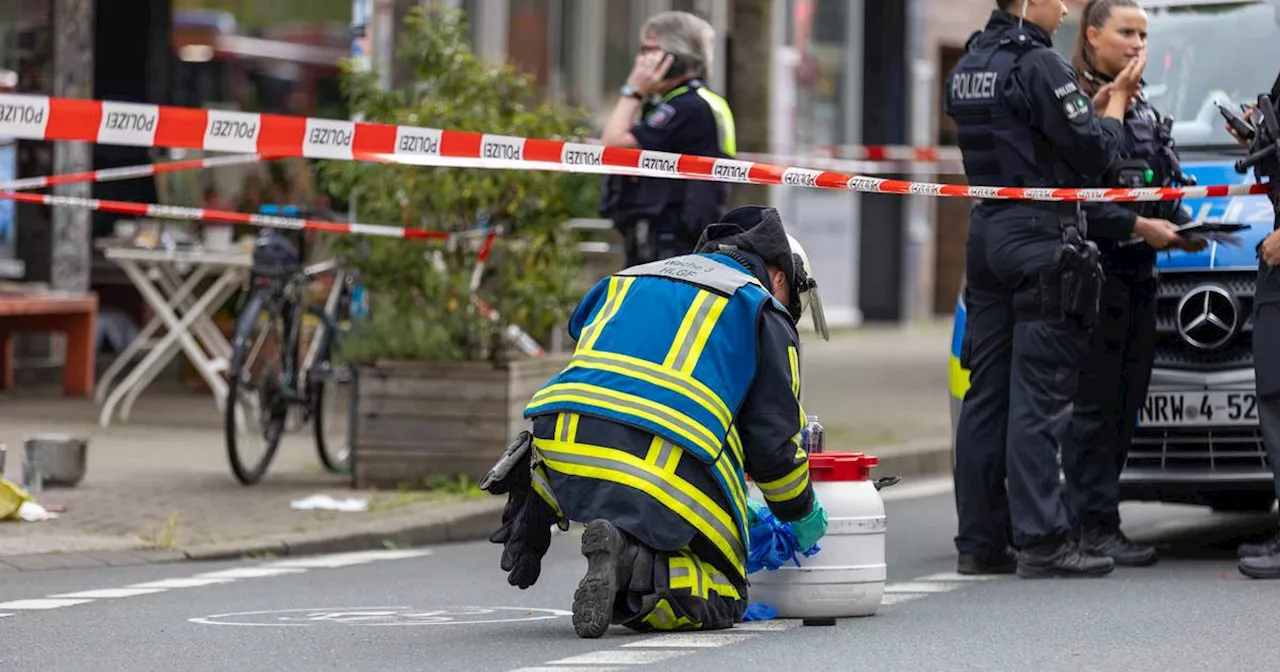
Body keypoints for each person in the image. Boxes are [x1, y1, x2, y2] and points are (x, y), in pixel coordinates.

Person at [480, 205, 832, 636]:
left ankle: (544, 489)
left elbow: (585, 338)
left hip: (558, 437)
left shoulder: (629, 277)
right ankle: (634, 566)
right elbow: (773, 450)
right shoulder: (761, 309)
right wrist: (800, 512)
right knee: (724, 594)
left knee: (632, 456)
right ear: (780, 276)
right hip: (657, 456)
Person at [946, 0, 1142, 579]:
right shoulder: (1040, 64)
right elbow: (1098, 156)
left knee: (987, 394)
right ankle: (1043, 539)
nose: (1066, 13)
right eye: (1062, 3)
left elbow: (1017, 135)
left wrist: (1086, 112)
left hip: (986, 232)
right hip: (1039, 235)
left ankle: (980, 542)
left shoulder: (971, 63)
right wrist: (1118, 107)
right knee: (1040, 393)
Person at [1060, 0, 1207, 569]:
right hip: (1096, 274)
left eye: (1144, 34)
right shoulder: (1079, 101)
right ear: (1093, 36)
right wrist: (1138, 225)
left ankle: (1102, 519)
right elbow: (1080, 201)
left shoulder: (1144, 107)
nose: (1137, 44)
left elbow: (1153, 179)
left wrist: (1176, 215)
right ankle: (1088, 523)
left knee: (1126, 406)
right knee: (1093, 408)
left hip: (1142, 273)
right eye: (1126, 32)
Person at [598, 10, 737, 266]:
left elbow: (613, 145)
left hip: (670, 241)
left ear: (675, 59)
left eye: (649, 51)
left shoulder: (686, 107)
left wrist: (634, 90)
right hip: (678, 238)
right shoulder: (694, 101)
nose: (641, 60)